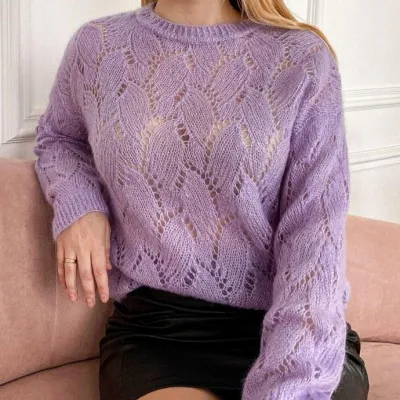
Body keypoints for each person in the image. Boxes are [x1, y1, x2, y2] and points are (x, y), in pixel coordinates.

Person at [33, 0, 370, 399]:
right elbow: (60, 138)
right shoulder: (97, 46)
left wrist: (288, 384)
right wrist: (80, 205)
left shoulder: (303, 59)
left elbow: (315, 235)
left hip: (298, 331)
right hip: (160, 333)